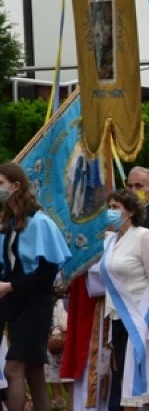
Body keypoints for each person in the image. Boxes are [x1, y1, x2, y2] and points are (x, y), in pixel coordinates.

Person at [0, 162, 72, 411]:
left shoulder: (39, 223)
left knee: (12, 369)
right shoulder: (9, 223)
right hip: (16, 305)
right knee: (34, 374)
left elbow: (46, 275)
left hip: (35, 304)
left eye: (0, 184)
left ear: (16, 185)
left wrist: (9, 286)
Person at [100, 189, 149, 410]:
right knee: (142, 379)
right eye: (109, 207)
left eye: (115, 207)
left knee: (131, 380)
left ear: (129, 211)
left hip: (140, 316)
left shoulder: (144, 236)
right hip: (118, 316)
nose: (110, 212)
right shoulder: (110, 241)